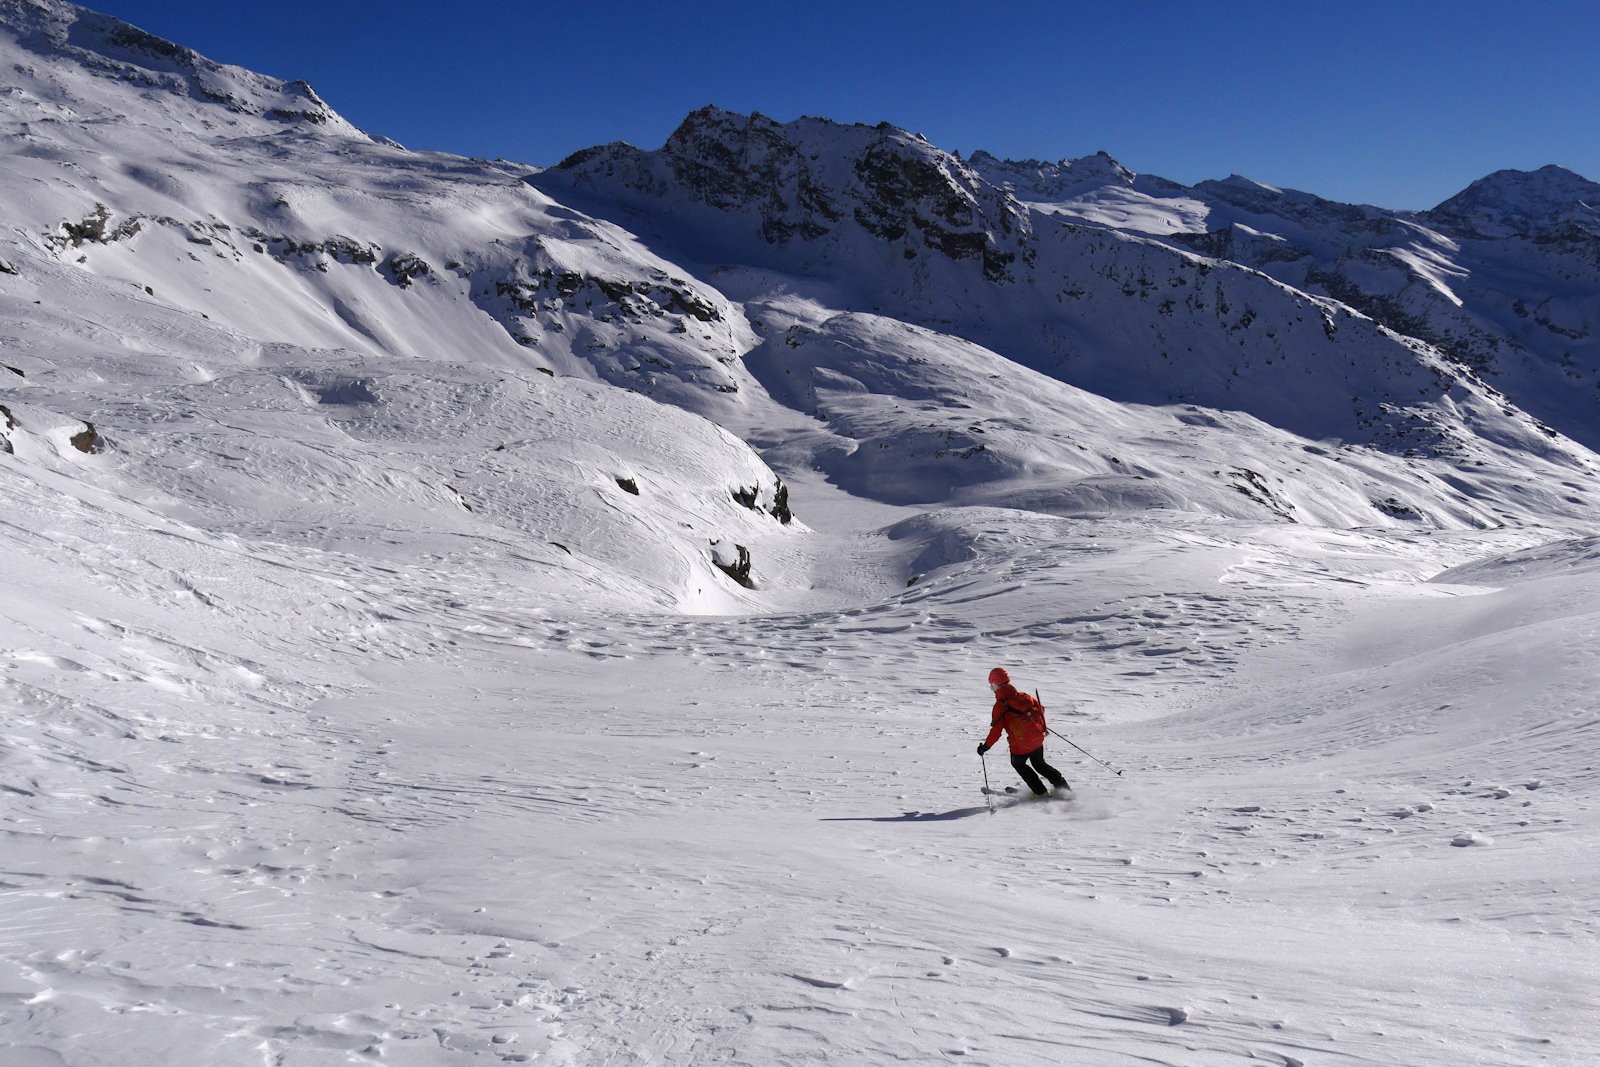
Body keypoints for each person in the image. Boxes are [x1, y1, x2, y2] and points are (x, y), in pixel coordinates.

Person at [977, 667, 1070, 796]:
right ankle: (1064, 788)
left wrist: (986, 746)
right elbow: (1041, 710)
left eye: (992, 686)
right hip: (1037, 740)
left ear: (995, 685)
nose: (992, 689)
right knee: (1040, 765)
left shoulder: (1000, 705)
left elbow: (996, 731)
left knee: (1019, 764)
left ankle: (1041, 793)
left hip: (1020, 746)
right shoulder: (1025, 696)